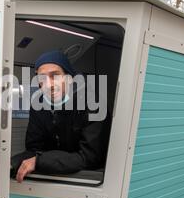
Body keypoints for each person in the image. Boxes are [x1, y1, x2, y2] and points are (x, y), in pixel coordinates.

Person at [11, 50, 110, 183]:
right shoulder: (38, 106)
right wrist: (11, 164)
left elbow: (91, 157)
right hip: (52, 173)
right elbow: (34, 149)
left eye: (55, 75)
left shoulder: (93, 104)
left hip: (88, 178)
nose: (49, 84)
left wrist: (40, 161)